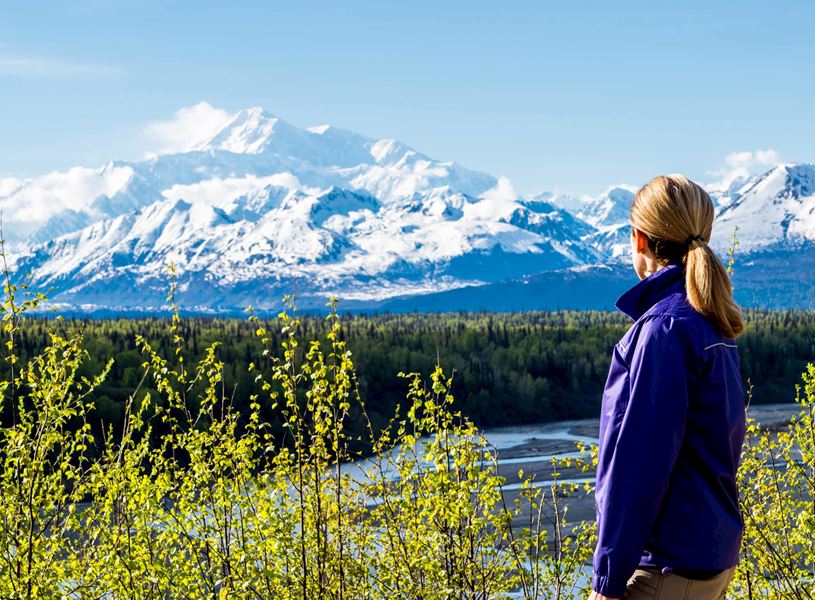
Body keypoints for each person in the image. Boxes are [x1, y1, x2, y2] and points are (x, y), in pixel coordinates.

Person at [589, 174, 746, 600]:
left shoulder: (663, 328)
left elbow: (638, 461)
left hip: (665, 565)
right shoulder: (710, 320)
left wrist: (608, 578)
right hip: (707, 555)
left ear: (639, 240)